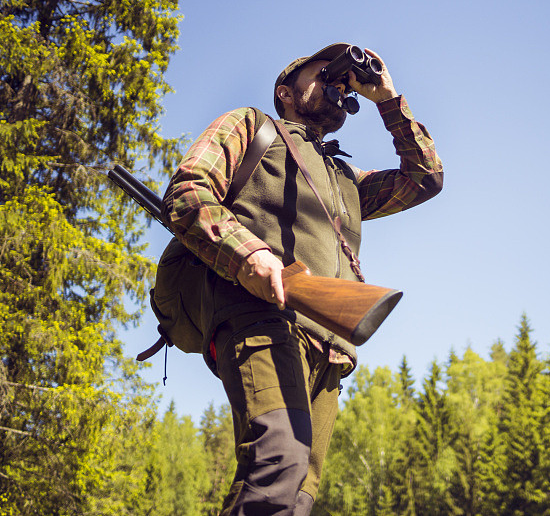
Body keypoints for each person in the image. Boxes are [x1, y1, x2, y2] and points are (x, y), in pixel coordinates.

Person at [161, 43, 444, 515]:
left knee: (297, 497)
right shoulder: (253, 127)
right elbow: (188, 193)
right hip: (259, 313)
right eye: (323, 74)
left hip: (331, 351)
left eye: (343, 81)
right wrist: (249, 254)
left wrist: (388, 100)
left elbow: (425, 178)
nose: (336, 85)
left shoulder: (346, 177)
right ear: (285, 92)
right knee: (277, 463)